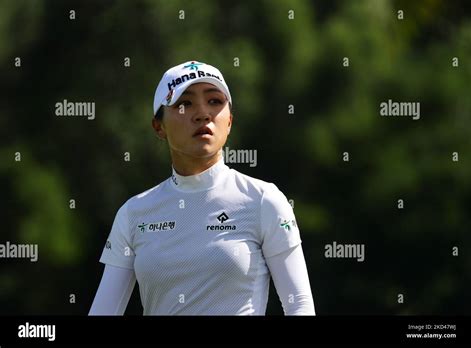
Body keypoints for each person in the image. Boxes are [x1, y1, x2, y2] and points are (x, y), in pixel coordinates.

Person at [89, 60, 315, 315]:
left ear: (229, 122)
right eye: (184, 104)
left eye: (215, 101)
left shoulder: (264, 200)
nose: (202, 113)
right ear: (158, 126)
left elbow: (300, 305)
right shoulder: (133, 214)